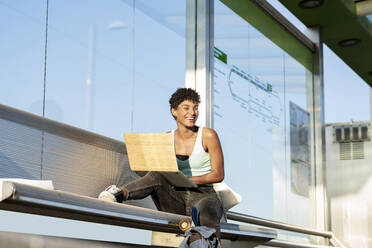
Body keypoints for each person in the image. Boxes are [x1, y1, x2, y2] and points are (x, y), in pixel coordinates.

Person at [99, 88, 224, 245]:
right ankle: (117, 194)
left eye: (195, 108)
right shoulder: (166, 138)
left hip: (203, 194)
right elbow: (154, 175)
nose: (192, 112)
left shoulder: (208, 135)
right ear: (174, 111)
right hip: (174, 197)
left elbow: (218, 174)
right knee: (158, 173)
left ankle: (207, 243)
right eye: (186, 108)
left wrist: (188, 179)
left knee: (205, 214)